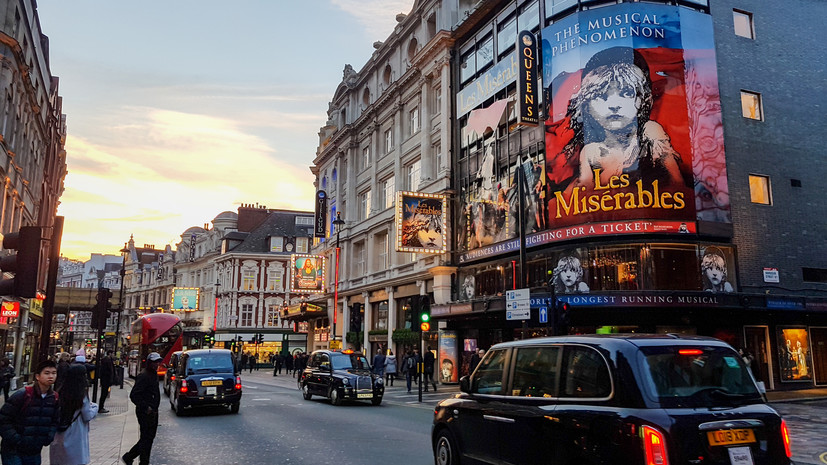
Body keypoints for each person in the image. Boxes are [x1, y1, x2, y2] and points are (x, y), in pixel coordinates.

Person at [561, 46, 687, 189]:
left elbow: (677, 183)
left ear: (642, 98)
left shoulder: (650, 132)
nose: (614, 105)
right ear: (587, 106)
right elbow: (584, 192)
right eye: (601, 95)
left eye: (626, 93)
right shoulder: (591, 151)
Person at [0, 359, 60, 465]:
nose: (51, 376)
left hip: (34, 450)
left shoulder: (54, 398)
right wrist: (16, 439)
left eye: (54, 373)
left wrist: (48, 436)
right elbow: (4, 419)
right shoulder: (23, 395)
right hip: (13, 450)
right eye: (47, 373)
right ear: (37, 376)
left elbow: (55, 420)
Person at [50, 364, 98, 465]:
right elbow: (87, 415)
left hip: (60, 434)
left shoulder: (60, 391)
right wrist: (95, 407)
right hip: (76, 435)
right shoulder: (81, 395)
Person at [122, 352, 162, 465]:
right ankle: (141, 461)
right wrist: (146, 407)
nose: (156, 364)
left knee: (149, 438)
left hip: (153, 411)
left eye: (158, 362)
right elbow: (134, 395)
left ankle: (131, 457)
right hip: (145, 412)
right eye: (154, 362)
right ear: (149, 363)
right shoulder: (144, 376)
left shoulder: (153, 374)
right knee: (146, 438)